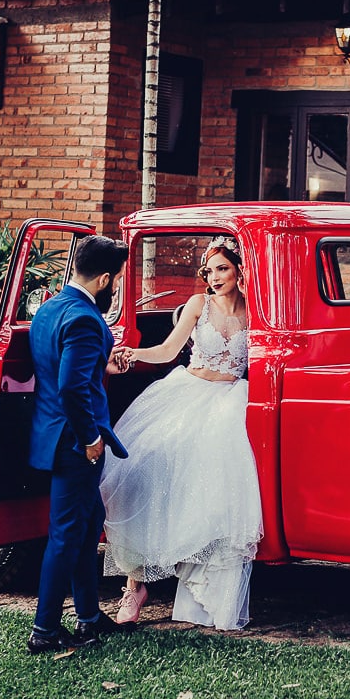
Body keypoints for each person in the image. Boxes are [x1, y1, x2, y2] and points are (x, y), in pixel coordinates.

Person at [101, 235, 263, 630]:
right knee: (151, 465)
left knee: (217, 487)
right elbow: (168, 350)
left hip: (231, 401)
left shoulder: (256, 310)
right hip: (188, 393)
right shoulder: (198, 304)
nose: (215, 277)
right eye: (210, 271)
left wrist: (252, 297)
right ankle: (134, 583)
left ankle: (207, 589)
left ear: (240, 268)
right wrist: (134, 354)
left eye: (223, 268)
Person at [26, 234, 134, 654]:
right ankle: (44, 630)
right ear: (105, 279)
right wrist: (90, 438)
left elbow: (58, 368)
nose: (117, 288)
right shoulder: (88, 319)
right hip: (75, 442)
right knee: (67, 535)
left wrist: (105, 361)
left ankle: (89, 618)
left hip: (51, 433)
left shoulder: (50, 307)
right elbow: (71, 388)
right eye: (118, 281)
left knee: (88, 527)